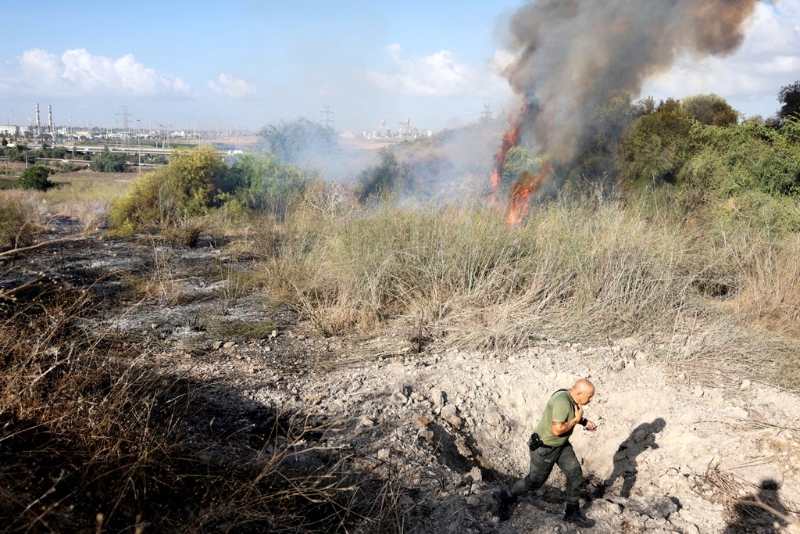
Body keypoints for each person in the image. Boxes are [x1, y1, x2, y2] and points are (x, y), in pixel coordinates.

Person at [493, 379, 598, 527]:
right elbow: (557, 430)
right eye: (590, 396)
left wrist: (584, 421)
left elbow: (569, 416)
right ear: (579, 393)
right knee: (534, 482)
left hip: (562, 446)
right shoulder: (562, 401)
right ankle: (504, 496)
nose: (591, 399)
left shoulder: (571, 397)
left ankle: (572, 513)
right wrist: (577, 420)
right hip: (545, 448)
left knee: (575, 473)